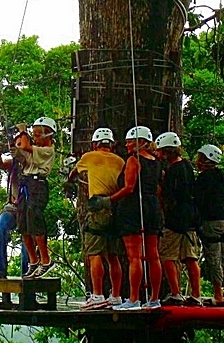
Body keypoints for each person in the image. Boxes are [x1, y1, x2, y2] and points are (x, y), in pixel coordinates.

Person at [94, 125, 162, 310]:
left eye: (131, 141)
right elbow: (157, 187)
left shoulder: (134, 160)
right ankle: (154, 298)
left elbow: (129, 187)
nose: (127, 144)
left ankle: (134, 299)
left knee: (135, 257)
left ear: (141, 142)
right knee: (153, 255)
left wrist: (109, 200)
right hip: (152, 207)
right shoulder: (156, 162)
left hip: (134, 207)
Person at [67, 128, 125, 310]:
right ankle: (115, 295)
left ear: (95, 144)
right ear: (112, 145)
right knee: (113, 255)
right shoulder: (120, 161)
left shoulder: (89, 157)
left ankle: (98, 295)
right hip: (115, 207)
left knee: (95, 254)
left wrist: (70, 179)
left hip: (98, 207)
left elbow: (74, 173)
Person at [155, 132, 202, 306]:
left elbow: (166, 195)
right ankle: (196, 295)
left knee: (167, 256)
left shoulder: (173, 171)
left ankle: (176, 292)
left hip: (175, 220)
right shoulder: (188, 166)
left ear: (166, 152)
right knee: (190, 257)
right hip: (190, 218)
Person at [13, 116, 57, 279]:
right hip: (26, 183)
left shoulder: (47, 150)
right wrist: (17, 135)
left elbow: (24, 145)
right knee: (22, 223)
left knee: (34, 218)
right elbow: (20, 147)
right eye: (34, 134)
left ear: (48, 135)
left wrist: (23, 131)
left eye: (38, 135)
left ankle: (45, 260)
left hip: (37, 185)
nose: (35, 138)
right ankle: (33, 261)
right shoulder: (35, 149)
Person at [194, 144, 224, 307]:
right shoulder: (221, 176)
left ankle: (218, 295)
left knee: (213, 257)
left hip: (212, 220)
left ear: (206, 159)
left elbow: (198, 200)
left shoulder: (204, 178)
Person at [0, 139, 29, 279]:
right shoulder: (13, 164)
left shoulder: (30, 161)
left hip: (27, 207)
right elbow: (2, 165)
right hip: (12, 206)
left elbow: (27, 161)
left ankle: (27, 271)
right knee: (1, 229)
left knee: (27, 237)